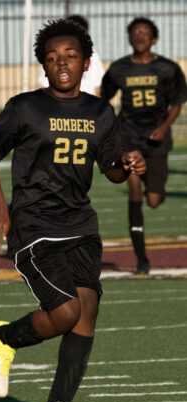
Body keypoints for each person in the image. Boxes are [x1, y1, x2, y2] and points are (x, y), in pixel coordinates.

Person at [0, 19, 146, 402]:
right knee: (66, 310)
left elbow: (110, 169)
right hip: (35, 226)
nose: (62, 63)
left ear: (86, 62)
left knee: (87, 311)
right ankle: (3, 337)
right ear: (44, 65)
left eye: (70, 56)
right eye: (52, 58)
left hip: (81, 223)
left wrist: (127, 165)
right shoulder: (24, 107)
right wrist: (0, 209)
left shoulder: (100, 111)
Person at [101, 17, 187, 274]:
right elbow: (102, 99)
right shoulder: (118, 69)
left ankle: (152, 186)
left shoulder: (168, 68)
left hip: (156, 140)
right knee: (134, 190)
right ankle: (141, 259)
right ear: (129, 37)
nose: (139, 36)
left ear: (154, 38)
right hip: (128, 137)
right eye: (135, 32)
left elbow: (177, 103)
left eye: (144, 32)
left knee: (154, 200)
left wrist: (162, 128)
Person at [37, 15, 105, 97]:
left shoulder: (92, 56)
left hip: (85, 105)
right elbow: (44, 84)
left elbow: (98, 84)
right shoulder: (51, 53)